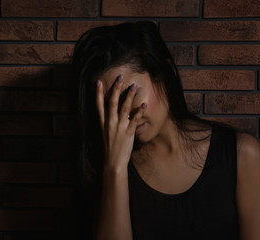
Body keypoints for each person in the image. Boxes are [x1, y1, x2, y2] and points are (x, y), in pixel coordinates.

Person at [71, 21, 260, 240]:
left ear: (164, 74)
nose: (125, 115)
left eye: (128, 96)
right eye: (109, 105)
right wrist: (115, 169)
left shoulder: (242, 156)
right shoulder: (103, 170)